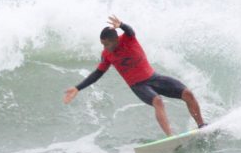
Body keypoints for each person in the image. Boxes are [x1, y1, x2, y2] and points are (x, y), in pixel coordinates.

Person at [63, 15, 206, 136]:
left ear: (115, 39)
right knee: (157, 101)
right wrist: (77, 88)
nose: (104, 48)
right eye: (102, 44)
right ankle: (171, 137)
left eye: (106, 44)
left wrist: (122, 25)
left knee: (187, 93)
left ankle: (202, 125)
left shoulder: (128, 39)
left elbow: (130, 30)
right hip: (138, 86)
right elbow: (97, 73)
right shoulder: (106, 54)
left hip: (153, 77)